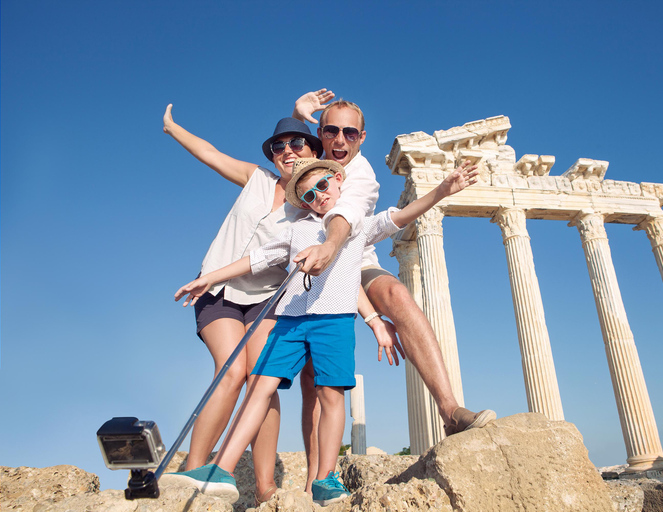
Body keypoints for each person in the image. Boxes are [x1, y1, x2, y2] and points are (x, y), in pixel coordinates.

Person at [164, 156, 480, 506]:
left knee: (332, 396)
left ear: (338, 180)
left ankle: (325, 477)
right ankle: (220, 468)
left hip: (335, 322)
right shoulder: (294, 230)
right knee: (260, 388)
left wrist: (441, 191)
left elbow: (398, 217)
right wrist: (209, 277)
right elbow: (254, 260)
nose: (318, 197)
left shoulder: (356, 224)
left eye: (322, 187)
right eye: (309, 195)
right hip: (290, 320)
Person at [162, 107, 402, 504]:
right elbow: (210, 154)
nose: (287, 151)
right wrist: (173, 129)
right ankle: (197, 469)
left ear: (313, 151)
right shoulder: (256, 179)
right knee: (233, 367)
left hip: (266, 300)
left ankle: (265, 488)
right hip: (220, 289)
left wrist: (373, 317)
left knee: (263, 379)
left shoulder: (314, 209)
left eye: (296, 144)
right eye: (278, 146)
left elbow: (340, 269)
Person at [290, 93, 496, 468]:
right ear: (321, 133)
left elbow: (350, 217)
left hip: (351, 253)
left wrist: (332, 246)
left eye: (349, 133)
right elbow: (290, 151)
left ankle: (449, 411)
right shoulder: (314, 154)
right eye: (331, 131)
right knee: (311, 379)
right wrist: (296, 114)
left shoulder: (363, 174)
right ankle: (314, 477)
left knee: (397, 294)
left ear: (362, 137)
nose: (340, 141)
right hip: (301, 262)